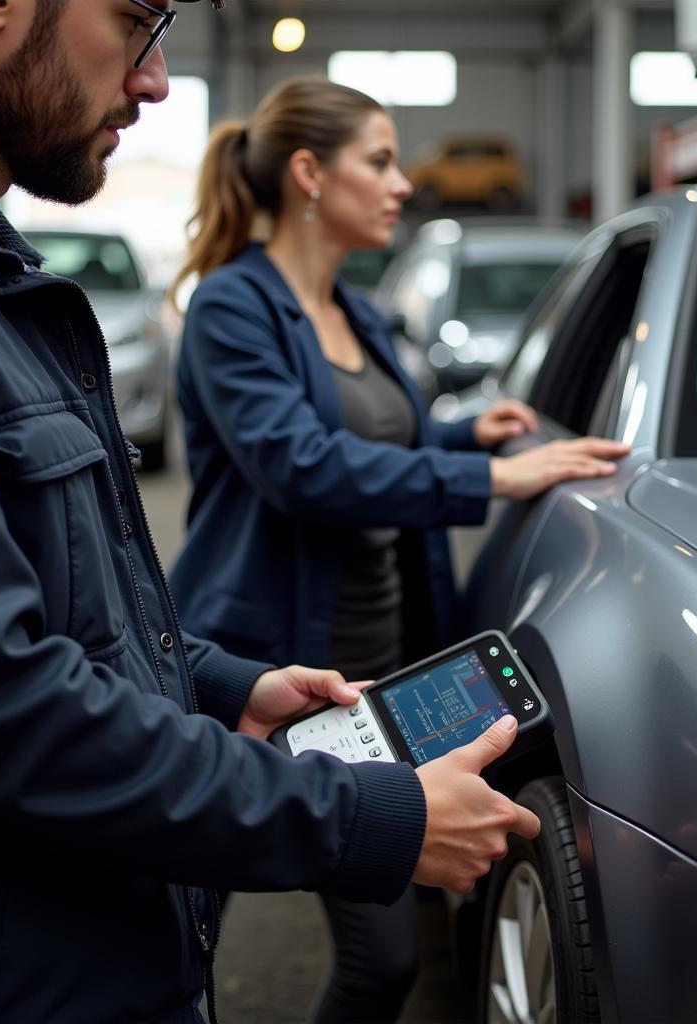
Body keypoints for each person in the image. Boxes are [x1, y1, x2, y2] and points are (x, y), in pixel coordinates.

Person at [0, 4, 545, 1023]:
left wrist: (217, 683)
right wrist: (360, 817)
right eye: (132, 20)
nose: (155, 82)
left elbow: (59, 604)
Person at [168, 76, 630, 1022]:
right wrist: (488, 481)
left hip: (381, 665)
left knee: (383, 952)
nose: (400, 184)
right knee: (206, 929)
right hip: (270, 662)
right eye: (377, 161)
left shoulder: (360, 311)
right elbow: (302, 464)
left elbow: (383, 441)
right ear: (308, 173)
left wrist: (466, 436)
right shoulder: (231, 309)